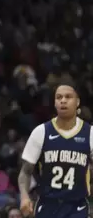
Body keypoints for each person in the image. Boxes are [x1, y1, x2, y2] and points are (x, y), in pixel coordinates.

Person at [18, 85, 92, 218]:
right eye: (59, 97)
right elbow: (25, 172)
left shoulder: (90, 134)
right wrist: (24, 196)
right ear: (54, 103)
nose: (63, 100)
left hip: (77, 207)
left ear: (77, 102)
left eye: (68, 97)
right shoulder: (41, 132)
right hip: (47, 206)